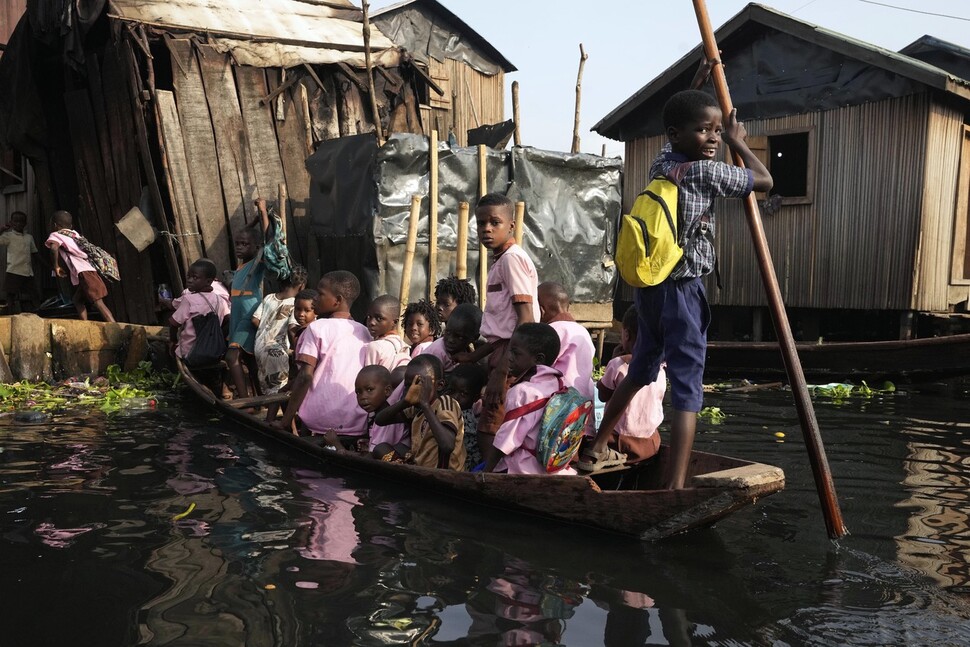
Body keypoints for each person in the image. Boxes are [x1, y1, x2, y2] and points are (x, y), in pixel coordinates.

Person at [580, 88, 772, 487]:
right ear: (676, 134)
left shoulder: (662, 165)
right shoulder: (705, 172)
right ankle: (676, 485)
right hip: (684, 291)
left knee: (642, 368)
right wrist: (739, 140)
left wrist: (702, 89)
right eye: (705, 131)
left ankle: (597, 447)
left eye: (719, 131)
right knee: (688, 384)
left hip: (650, 291)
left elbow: (685, 126)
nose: (715, 139)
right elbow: (765, 180)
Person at [452, 194, 539, 460]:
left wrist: (503, 369)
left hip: (512, 353)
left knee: (491, 422)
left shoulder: (512, 259)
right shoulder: (500, 259)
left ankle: (490, 478)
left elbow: (525, 320)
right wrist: (473, 357)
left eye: (494, 222)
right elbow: (502, 326)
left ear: (511, 226)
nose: (486, 229)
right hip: (504, 350)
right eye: (481, 224)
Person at [276, 271, 371, 440]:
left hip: (319, 420)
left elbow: (305, 377)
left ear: (338, 300)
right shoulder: (363, 331)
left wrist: (286, 420)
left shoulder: (316, 328)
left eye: (320, 294)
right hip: (356, 420)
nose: (316, 299)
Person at [485, 322, 574, 475]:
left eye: (515, 353)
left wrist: (486, 471)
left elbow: (505, 441)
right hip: (555, 466)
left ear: (538, 359)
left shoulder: (522, 392)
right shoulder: (559, 382)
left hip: (525, 469)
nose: (509, 358)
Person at [582, 306, 665, 466]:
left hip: (620, 444)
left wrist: (610, 365)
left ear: (626, 334)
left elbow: (602, 395)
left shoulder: (618, 364)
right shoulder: (661, 367)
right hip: (650, 444)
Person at [373, 354, 466, 470]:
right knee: (380, 449)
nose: (413, 389)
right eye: (408, 386)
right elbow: (380, 420)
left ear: (439, 385)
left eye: (419, 383)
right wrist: (405, 402)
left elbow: (447, 445)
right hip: (421, 468)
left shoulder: (446, 403)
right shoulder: (415, 408)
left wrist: (425, 405)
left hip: (444, 473)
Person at [225, 199, 271, 398]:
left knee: (232, 355)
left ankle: (245, 400)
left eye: (245, 244)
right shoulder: (242, 265)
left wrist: (263, 213)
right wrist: (253, 221)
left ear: (256, 247)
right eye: (237, 244)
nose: (240, 247)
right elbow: (245, 233)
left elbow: (270, 240)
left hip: (249, 311)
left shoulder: (258, 261)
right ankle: (259, 398)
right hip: (238, 313)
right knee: (250, 360)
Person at [537, 281, 596, 434]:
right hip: (583, 407)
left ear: (541, 310)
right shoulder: (582, 331)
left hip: (558, 410)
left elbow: (537, 370)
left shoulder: (550, 332)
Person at [169, 259, 231, 386]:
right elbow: (227, 319)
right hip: (215, 353)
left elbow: (173, 323)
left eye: (195, 277)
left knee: (171, 350)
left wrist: (173, 341)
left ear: (209, 281)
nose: (190, 280)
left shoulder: (189, 299)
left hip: (190, 354)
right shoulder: (220, 300)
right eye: (189, 276)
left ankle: (178, 381)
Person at [45, 210, 115, 322]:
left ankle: (115, 328)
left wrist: (56, 266)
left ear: (54, 225)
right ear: (71, 226)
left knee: (98, 302)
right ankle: (84, 324)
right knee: (77, 300)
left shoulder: (55, 235)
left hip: (84, 272)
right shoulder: (74, 234)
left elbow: (54, 248)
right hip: (89, 269)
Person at [253, 265, 307, 397]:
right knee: (279, 389)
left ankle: (272, 413)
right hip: (276, 350)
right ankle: (273, 416)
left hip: (259, 346)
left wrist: (269, 329)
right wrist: (296, 350)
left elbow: (254, 320)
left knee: (269, 385)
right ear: (301, 286)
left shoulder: (269, 297)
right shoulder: (296, 304)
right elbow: (291, 329)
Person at [353, 365, 408, 457]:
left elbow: (373, 456)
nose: (362, 397)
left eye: (369, 389)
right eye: (358, 392)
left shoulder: (389, 420)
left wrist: (339, 447)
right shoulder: (376, 415)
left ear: (387, 391)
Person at [417, 303, 482, 374]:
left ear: (474, 338)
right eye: (447, 332)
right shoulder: (438, 351)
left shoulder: (469, 352)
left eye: (459, 337)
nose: (450, 340)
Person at [445, 362, 488, 470]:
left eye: (463, 394)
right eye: (451, 391)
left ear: (475, 397)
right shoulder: (448, 410)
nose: (455, 397)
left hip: (463, 469)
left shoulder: (465, 419)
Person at [0, 211, 39, 313]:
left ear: (25, 223)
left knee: (34, 294)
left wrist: (49, 266)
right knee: (10, 294)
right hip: (14, 270)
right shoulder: (8, 236)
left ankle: (38, 312)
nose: (18, 224)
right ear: (11, 222)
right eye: (16, 221)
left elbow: (35, 253)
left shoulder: (29, 237)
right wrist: (2, 229)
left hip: (27, 271)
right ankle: (10, 312)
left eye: (21, 221)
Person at [363, 295, 410, 370]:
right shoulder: (402, 346)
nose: (372, 322)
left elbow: (367, 378)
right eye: (369, 317)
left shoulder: (375, 347)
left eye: (379, 318)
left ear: (394, 322)